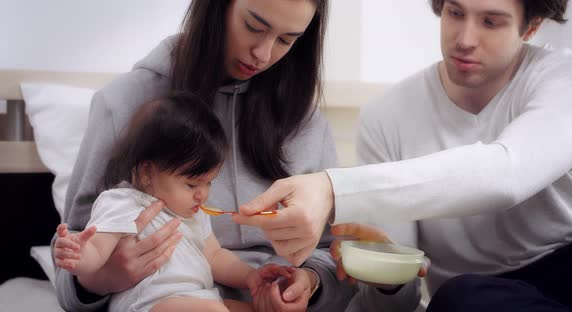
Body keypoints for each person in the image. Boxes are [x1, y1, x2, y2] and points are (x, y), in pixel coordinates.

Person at [235, 0, 572, 311]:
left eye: (491, 21)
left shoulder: (569, 82)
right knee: (459, 298)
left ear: (532, 26)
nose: (465, 39)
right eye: (455, 12)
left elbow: (507, 174)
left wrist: (331, 188)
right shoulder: (387, 117)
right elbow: (396, 305)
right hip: (480, 298)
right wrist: (388, 272)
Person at [53, 0, 361, 311]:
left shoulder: (305, 120)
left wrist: (309, 282)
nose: (263, 54)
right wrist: (102, 279)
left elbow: (332, 251)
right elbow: (76, 251)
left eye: (286, 40)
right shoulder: (126, 103)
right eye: (254, 26)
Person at [54, 93, 293, 312]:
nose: (203, 194)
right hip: (149, 304)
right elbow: (97, 249)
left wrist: (251, 277)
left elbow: (216, 256)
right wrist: (79, 255)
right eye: (192, 184)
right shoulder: (124, 202)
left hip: (196, 299)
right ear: (147, 172)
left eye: (209, 183)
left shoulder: (194, 212)